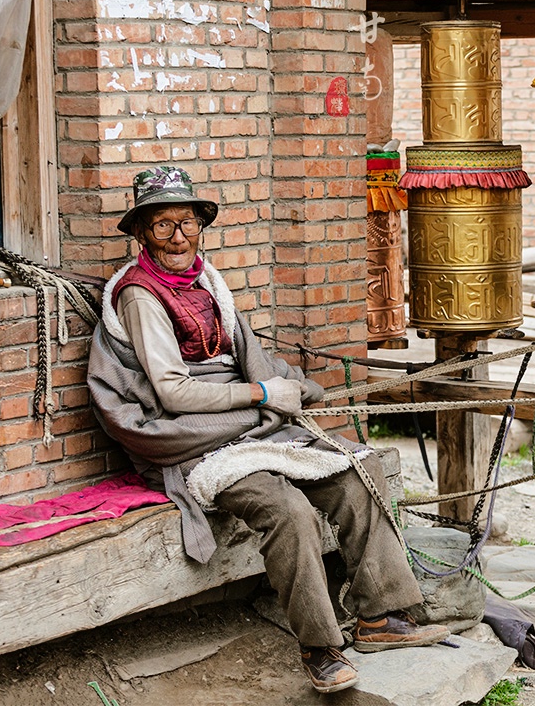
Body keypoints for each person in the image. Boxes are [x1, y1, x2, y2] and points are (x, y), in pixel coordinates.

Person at [87, 166, 448, 694]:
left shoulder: (206, 282)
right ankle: (320, 647)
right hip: (190, 437)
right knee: (288, 509)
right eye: (162, 226)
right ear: (141, 234)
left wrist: (289, 386)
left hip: (244, 426)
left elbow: (246, 356)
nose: (178, 238)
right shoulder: (141, 296)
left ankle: (380, 617)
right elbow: (172, 394)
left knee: (356, 474)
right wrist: (262, 397)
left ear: (200, 228)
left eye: (186, 223)